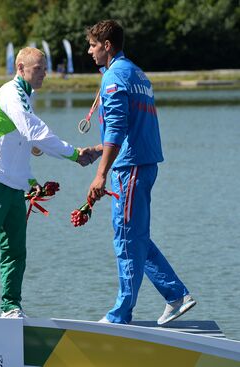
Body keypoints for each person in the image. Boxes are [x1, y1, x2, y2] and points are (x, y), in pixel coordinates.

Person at [0, 47, 93, 318]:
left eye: (45, 68)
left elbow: (20, 144)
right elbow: (33, 130)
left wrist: (31, 181)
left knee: (15, 251)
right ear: (20, 68)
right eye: (38, 68)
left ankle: (10, 307)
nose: (44, 74)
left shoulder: (26, 97)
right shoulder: (11, 93)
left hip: (14, 185)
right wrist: (74, 154)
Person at [84, 20, 196, 325]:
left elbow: (119, 128)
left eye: (93, 45)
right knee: (135, 235)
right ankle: (176, 295)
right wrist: (98, 151)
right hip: (143, 164)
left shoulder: (115, 78)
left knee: (125, 238)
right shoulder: (137, 73)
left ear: (107, 45)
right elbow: (130, 126)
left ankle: (120, 315)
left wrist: (100, 174)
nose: (89, 51)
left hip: (129, 168)